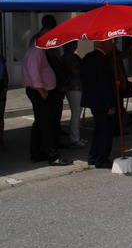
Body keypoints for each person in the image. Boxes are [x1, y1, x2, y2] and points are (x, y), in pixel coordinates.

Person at [23, 37, 71, 166]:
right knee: (46, 123)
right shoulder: (36, 51)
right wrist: (42, 91)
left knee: (40, 123)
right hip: (39, 92)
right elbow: (34, 74)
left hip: (41, 91)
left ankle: (38, 153)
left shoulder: (38, 51)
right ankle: (52, 156)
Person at [81, 40, 117, 169]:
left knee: (99, 129)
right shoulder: (101, 59)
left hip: (94, 100)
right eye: (110, 42)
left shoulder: (88, 57)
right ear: (102, 44)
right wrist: (110, 104)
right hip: (103, 102)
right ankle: (101, 158)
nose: (113, 44)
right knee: (105, 131)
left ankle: (94, 156)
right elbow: (103, 84)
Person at [62, 41, 86, 147]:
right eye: (74, 43)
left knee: (77, 112)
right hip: (73, 88)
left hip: (77, 86)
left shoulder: (73, 56)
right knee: (76, 113)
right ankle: (74, 138)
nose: (76, 45)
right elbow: (75, 71)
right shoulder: (67, 57)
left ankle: (76, 137)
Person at [0, 52, 8, 148]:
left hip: (1, 89)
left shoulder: (1, 59)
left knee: (1, 117)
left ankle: (1, 139)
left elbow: (4, 75)